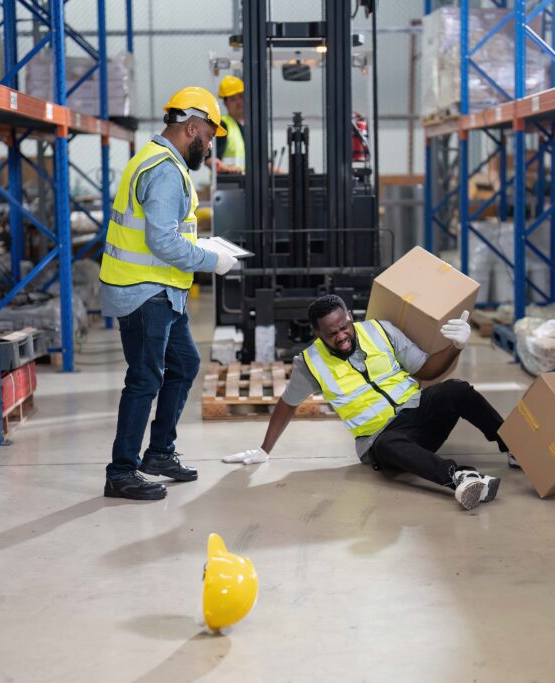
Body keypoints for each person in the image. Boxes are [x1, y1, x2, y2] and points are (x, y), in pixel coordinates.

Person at [223, 295, 509, 510]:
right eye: (332, 334)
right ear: (318, 334)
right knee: (385, 445)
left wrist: (456, 347)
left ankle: (514, 446)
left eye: (344, 327)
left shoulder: (380, 331)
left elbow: (427, 371)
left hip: (418, 413)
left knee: (456, 390)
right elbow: (288, 403)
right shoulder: (310, 363)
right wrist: (264, 449)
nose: (342, 336)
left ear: (349, 315)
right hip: (384, 438)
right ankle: (460, 479)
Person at [99, 86, 237, 501]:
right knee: (144, 379)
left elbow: (169, 232)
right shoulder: (164, 170)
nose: (210, 146)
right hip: (143, 292)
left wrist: (204, 246)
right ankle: (121, 471)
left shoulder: (161, 161)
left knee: (185, 364)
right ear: (191, 127)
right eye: (209, 137)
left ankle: (158, 453)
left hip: (161, 289)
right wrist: (212, 261)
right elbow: (161, 241)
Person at [212, 75, 246, 174]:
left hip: (250, 183)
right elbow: (210, 159)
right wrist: (227, 169)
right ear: (225, 103)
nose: (239, 102)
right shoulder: (222, 125)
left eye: (241, 96)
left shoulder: (253, 126)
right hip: (229, 184)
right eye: (233, 99)